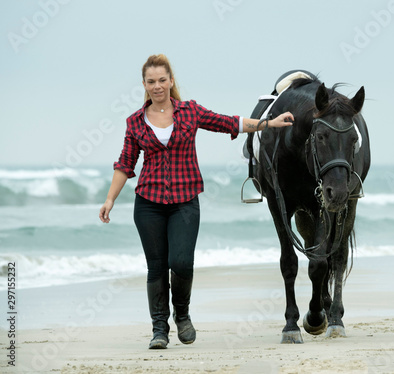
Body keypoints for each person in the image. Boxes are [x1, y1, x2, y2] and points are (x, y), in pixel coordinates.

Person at [99, 54, 294, 350]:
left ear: (171, 81)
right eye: (151, 81)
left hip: (185, 201)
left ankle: (183, 314)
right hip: (148, 202)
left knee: (181, 262)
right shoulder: (135, 122)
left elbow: (228, 123)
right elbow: (125, 163)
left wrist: (268, 123)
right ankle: (159, 329)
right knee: (156, 266)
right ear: (144, 84)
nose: (157, 86)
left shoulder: (190, 111)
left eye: (162, 80)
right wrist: (110, 199)